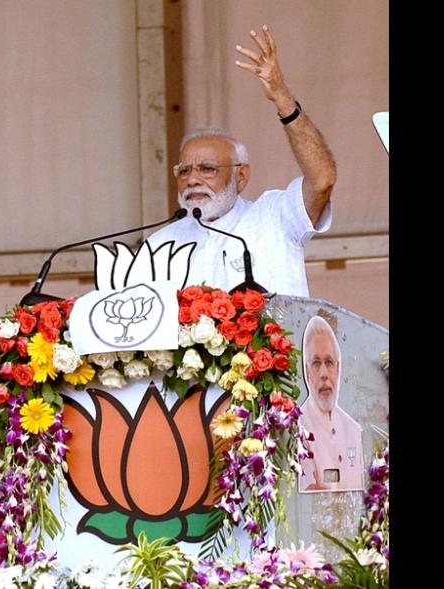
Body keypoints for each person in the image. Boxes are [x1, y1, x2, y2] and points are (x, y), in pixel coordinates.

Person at [146, 25, 337, 297]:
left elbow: (322, 180)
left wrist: (281, 97)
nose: (191, 179)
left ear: (241, 176)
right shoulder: (159, 246)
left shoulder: (274, 217)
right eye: (184, 171)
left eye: (207, 169)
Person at [298, 315, 365, 492]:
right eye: (316, 364)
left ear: (338, 367)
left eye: (329, 363)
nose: (324, 374)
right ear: (306, 371)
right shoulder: (298, 426)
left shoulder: (353, 430)